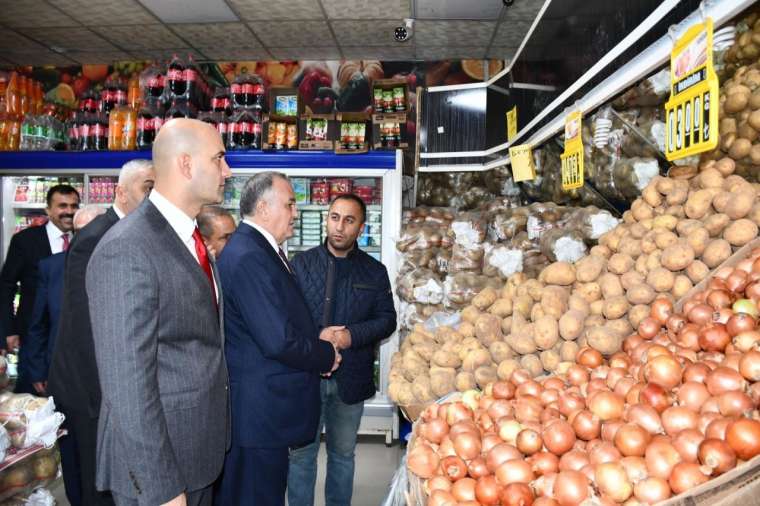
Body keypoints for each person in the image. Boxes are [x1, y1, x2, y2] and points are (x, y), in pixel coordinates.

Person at [86, 119, 230, 506]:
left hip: (195, 454)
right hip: (156, 475)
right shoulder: (127, 249)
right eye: (219, 158)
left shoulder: (190, 237)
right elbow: (126, 384)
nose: (227, 170)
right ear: (185, 165)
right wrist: (162, 487)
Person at [215, 172, 342, 506]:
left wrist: (314, 339)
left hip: (265, 415)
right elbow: (277, 340)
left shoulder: (260, 249)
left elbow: (274, 322)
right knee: (255, 496)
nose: (295, 213)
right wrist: (325, 354)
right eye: (289, 204)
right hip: (258, 418)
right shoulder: (249, 255)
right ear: (263, 207)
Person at [47, 159, 154, 506]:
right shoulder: (98, 237)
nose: (153, 197)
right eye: (146, 188)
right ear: (120, 192)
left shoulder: (133, 233)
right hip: (90, 390)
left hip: (110, 386)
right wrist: (106, 396)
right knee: (98, 485)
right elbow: (82, 324)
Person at [287, 194, 396, 506]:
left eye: (349, 220)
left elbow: (387, 320)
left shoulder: (374, 271)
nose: (339, 226)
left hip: (351, 379)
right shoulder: (301, 264)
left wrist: (350, 335)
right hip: (307, 377)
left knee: (343, 454)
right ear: (326, 218)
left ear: (360, 228)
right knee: (301, 455)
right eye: (335, 217)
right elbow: (286, 318)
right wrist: (317, 335)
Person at [24, 204, 105, 506]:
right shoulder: (51, 267)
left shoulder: (116, 263)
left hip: (101, 381)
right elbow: (38, 323)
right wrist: (37, 371)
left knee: (97, 456)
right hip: (63, 378)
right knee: (69, 453)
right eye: (82, 232)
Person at [0, 183, 80, 394]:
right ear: (48, 210)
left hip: (70, 340)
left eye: (74, 206)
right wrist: (8, 330)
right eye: (62, 205)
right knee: (33, 398)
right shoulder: (25, 240)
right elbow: (6, 285)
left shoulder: (83, 240)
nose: (69, 211)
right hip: (32, 337)